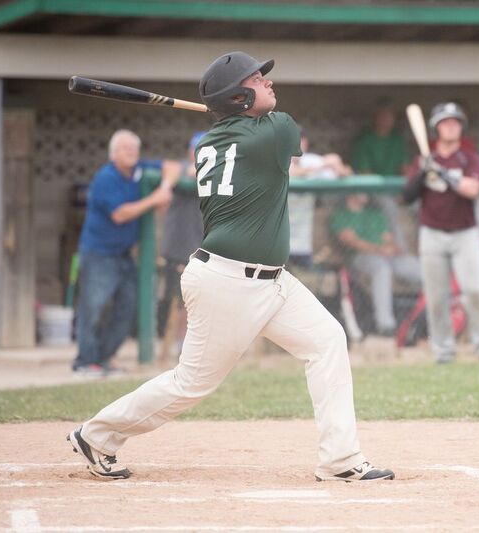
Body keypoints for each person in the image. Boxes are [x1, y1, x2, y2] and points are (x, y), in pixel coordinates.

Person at [67, 51, 394, 483]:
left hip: (273, 281)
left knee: (327, 340)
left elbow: (242, 130)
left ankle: (340, 459)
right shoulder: (274, 132)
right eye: (257, 80)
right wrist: (240, 112)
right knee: (191, 384)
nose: (269, 84)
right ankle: (97, 435)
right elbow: (282, 128)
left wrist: (236, 110)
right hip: (229, 282)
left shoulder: (210, 142)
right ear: (239, 96)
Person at [72, 129, 178, 376]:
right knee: (93, 307)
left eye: (134, 148)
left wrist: (165, 187)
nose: (131, 152)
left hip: (124, 254)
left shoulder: (140, 169)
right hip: (99, 254)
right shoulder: (106, 177)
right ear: (113, 154)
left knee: (128, 307)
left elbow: (172, 166)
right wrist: (155, 199)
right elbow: (119, 214)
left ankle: (105, 359)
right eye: (124, 148)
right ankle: (85, 362)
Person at [403, 102, 479, 364]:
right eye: (445, 122)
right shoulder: (425, 160)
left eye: (455, 122)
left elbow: (472, 189)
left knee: (474, 290)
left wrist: (443, 173)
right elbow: (407, 197)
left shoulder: (469, 158)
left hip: (465, 234)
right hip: (432, 233)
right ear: (436, 128)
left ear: (461, 128)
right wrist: (423, 172)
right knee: (436, 297)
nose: (450, 126)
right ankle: (443, 351)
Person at [331, 192, 422, 337]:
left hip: (386, 255)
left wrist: (393, 248)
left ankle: (435, 318)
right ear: (351, 193)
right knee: (382, 269)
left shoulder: (374, 213)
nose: (367, 193)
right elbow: (351, 241)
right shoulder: (341, 215)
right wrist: (379, 249)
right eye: (362, 190)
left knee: (419, 269)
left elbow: (388, 238)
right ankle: (386, 325)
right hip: (361, 258)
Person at [156, 132, 207, 338]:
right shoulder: (179, 169)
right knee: (176, 300)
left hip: (204, 250)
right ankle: (174, 343)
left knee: (200, 302)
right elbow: (170, 167)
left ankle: (188, 344)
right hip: (178, 249)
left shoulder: (221, 174)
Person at [351, 100, 410, 251]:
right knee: (389, 205)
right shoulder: (365, 139)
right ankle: (401, 249)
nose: (386, 120)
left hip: (394, 188)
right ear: (375, 118)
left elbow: (405, 169)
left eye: (389, 117)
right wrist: (389, 191)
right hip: (373, 190)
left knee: (420, 203)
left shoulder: (397, 140)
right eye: (382, 116)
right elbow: (365, 173)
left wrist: (406, 191)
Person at [288, 131, 352, 267]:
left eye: (299, 142)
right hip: (278, 237)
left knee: (304, 278)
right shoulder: (277, 158)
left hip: (302, 239)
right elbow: (291, 172)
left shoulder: (309, 160)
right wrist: (322, 165)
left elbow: (344, 172)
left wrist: (337, 165)